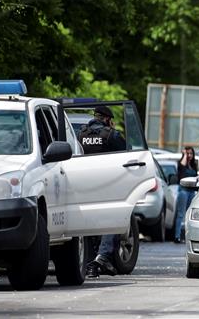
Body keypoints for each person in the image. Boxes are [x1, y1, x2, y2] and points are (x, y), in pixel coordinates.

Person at [81, 105, 127, 279]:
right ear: (107, 119)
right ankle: (102, 258)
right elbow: (125, 155)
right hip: (107, 183)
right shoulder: (111, 135)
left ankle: (90, 263)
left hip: (84, 184)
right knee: (112, 220)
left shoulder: (82, 133)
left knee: (87, 223)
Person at [173, 146, 199, 243]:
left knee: (189, 215)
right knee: (180, 214)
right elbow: (182, 169)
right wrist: (184, 155)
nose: (189, 155)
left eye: (191, 153)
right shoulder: (181, 164)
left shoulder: (194, 165)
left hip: (192, 192)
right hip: (183, 191)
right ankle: (177, 236)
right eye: (187, 154)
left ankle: (187, 236)